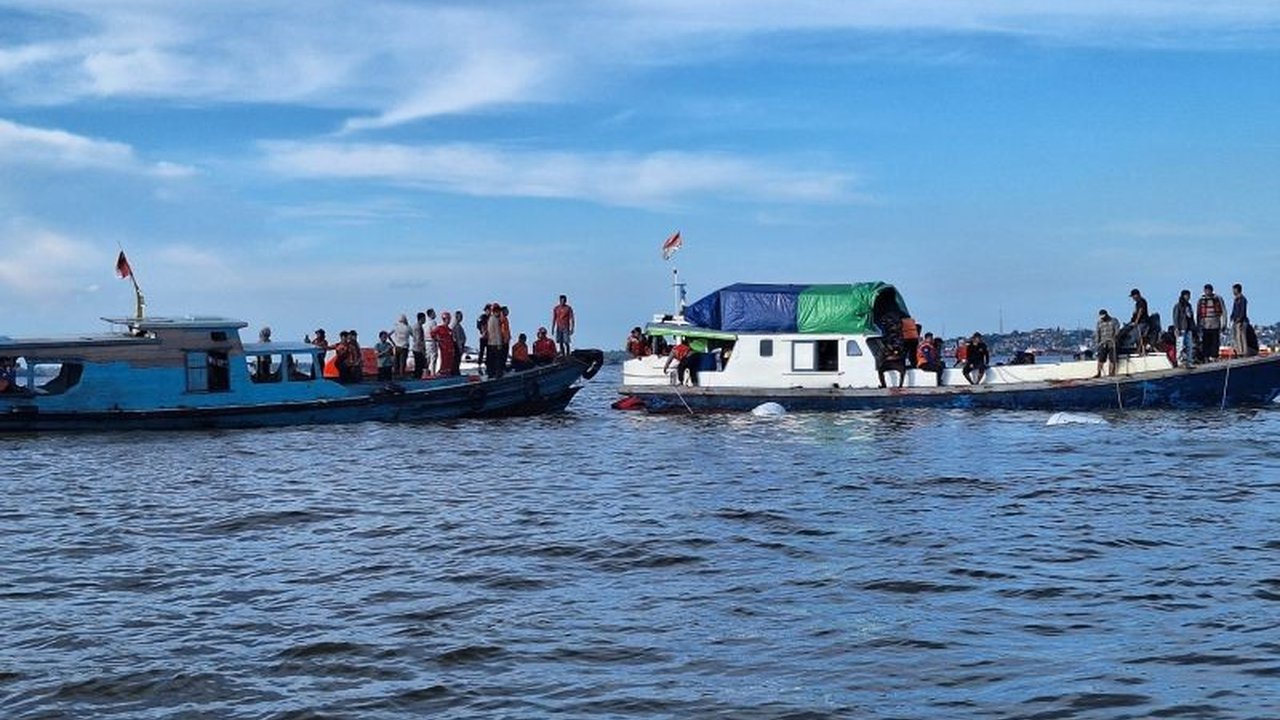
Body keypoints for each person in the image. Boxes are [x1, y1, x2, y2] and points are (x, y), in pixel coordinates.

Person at [1197, 283, 1225, 362]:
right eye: (1206, 290)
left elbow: (1223, 311)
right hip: (1205, 325)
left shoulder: (1218, 299)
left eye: (1208, 290)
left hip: (1215, 324)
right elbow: (1198, 313)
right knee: (1205, 342)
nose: (1207, 292)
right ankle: (1206, 357)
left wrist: (1224, 323)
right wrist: (1198, 325)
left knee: (1215, 342)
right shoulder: (1201, 300)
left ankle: (1214, 357)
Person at [1172, 289, 1196, 368]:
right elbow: (1175, 317)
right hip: (1181, 328)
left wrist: (1194, 327)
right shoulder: (1178, 306)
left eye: (1189, 295)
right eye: (1187, 295)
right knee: (1180, 346)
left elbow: (1191, 317)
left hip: (1188, 328)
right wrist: (1176, 328)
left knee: (1189, 345)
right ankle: (1180, 362)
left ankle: (1189, 361)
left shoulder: (1189, 305)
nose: (1188, 297)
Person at [1093, 309, 1120, 377]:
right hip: (1103, 343)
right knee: (1101, 358)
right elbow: (1097, 333)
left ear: (1107, 314)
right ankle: (1098, 373)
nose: (1103, 319)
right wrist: (1098, 343)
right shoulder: (1099, 323)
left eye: (1104, 317)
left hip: (1112, 342)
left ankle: (1111, 373)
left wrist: (1114, 338)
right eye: (1101, 317)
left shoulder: (1114, 321)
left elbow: (1117, 331)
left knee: (1112, 358)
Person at [431, 311, 457, 376]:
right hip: (443, 347)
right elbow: (432, 334)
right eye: (448, 319)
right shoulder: (439, 328)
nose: (449, 321)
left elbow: (452, 339)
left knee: (449, 361)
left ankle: (448, 372)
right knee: (444, 360)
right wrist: (438, 339)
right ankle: (441, 372)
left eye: (449, 319)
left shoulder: (449, 330)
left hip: (450, 348)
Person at [1230, 283, 1250, 358]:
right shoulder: (1236, 299)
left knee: (1241, 336)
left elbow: (1243, 310)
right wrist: (1232, 316)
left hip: (1241, 321)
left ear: (1237, 290)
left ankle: (1243, 352)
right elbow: (1234, 309)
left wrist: (1240, 319)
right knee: (1237, 336)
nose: (1233, 291)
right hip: (1236, 321)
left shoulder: (1242, 299)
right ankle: (1238, 351)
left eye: (1234, 290)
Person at [485, 306, 504, 379]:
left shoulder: (490, 319)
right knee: (497, 360)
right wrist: (499, 344)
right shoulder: (495, 320)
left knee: (491, 360)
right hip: (495, 343)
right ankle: (498, 374)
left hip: (490, 343)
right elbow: (497, 332)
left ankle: (491, 373)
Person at [1129, 288, 1150, 355]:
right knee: (1137, 336)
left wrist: (1136, 321)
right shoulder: (1137, 303)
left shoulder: (1141, 301)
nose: (1132, 298)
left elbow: (1140, 311)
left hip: (1142, 322)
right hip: (1139, 322)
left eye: (1133, 296)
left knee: (1138, 336)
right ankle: (1138, 350)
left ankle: (1140, 350)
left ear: (1136, 295)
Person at [411, 312, 427, 379]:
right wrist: (422, 350)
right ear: (421, 318)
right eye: (424, 318)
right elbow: (418, 339)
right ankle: (417, 378)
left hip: (415, 347)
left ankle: (417, 377)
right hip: (418, 349)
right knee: (419, 365)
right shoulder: (418, 327)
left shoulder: (415, 326)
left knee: (419, 365)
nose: (425, 320)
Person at [424, 308, 439, 376]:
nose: (435, 314)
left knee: (427, 358)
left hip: (426, 342)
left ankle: (425, 373)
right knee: (433, 357)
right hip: (432, 341)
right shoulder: (433, 322)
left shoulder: (425, 323)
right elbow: (435, 332)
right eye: (434, 313)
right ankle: (433, 373)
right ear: (431, 314)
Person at [451, 310, 466, 375]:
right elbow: (458, 338)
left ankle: (456, 371)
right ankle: (455, 372)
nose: (461, 318)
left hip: (459, 345)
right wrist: (460, 347)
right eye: (460, 316)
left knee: (457, 360)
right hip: (457, 346)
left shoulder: (457, 325)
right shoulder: (456, 326)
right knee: (456, 360)